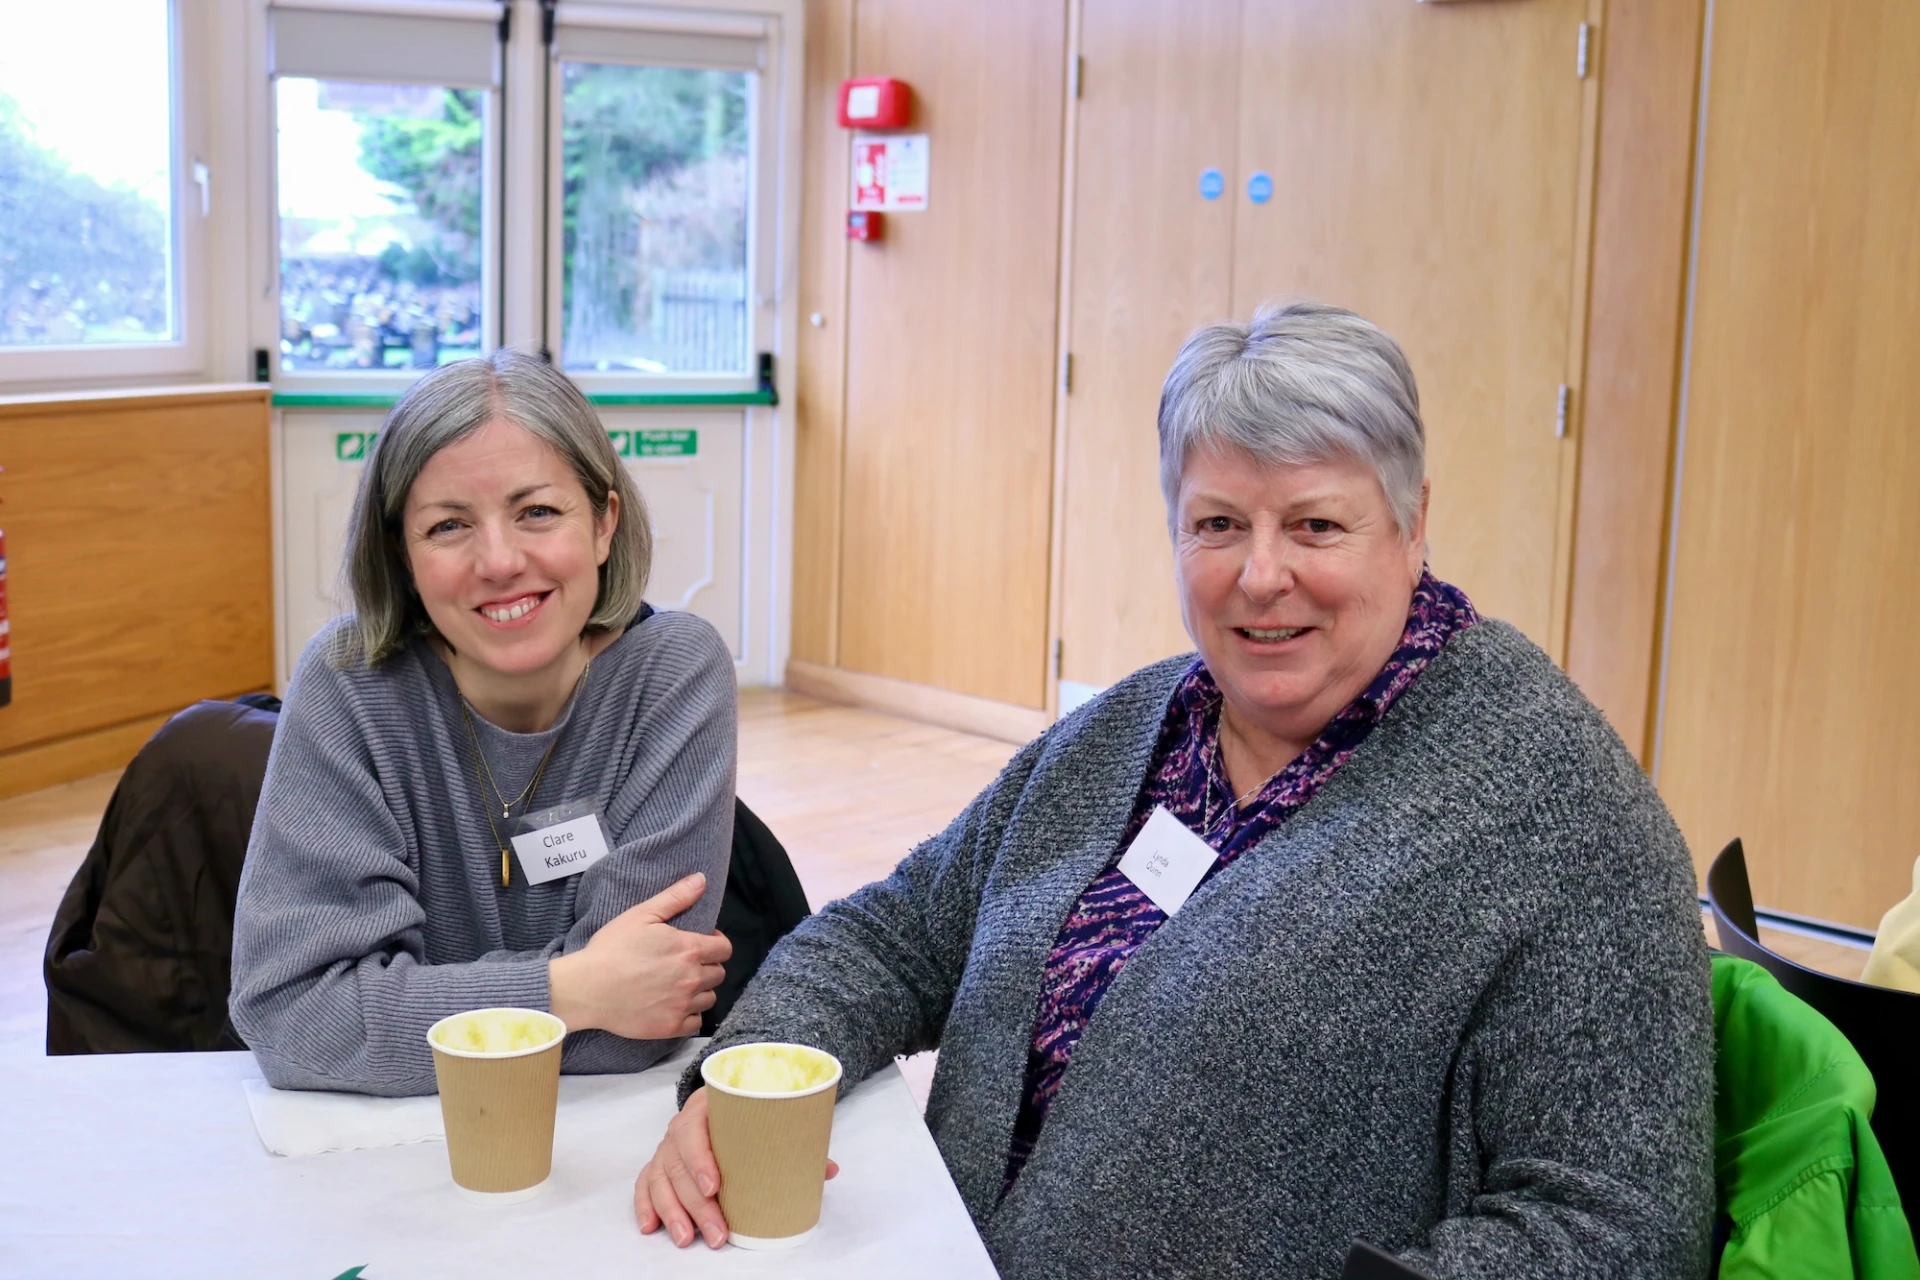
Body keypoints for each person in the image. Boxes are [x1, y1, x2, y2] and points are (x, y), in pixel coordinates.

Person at [635, 302, 1715, 1277]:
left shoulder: (1554, 808)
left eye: (1316, 525)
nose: (1260, 575)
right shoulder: (1134, 727)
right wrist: (745, 1080)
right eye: (1217, 524)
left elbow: (1617, 1226)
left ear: (1412, 520)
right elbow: (900, 931)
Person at [230, 349, 735, 1097]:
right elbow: (296, 1022)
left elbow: (633, 1034)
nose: (499, 562)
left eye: (538, 512)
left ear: (604, 523)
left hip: (595, 1138)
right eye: (448, 526)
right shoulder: (350, 682)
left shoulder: (673, 672)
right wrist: (572, 990)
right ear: (402, 555)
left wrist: (398, 1020)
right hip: (378, 1152)